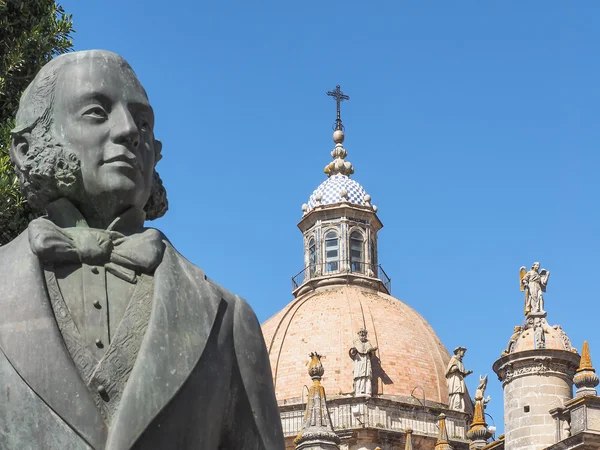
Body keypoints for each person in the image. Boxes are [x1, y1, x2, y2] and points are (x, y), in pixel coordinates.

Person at [0, 50, 284, 450]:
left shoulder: (228, 320)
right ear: (28, 149)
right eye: (97, 112)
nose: (130, 130)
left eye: (144, 121)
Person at [349, 328, 377, 396]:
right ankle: (358, 390)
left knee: (367, 375)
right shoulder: (356, 342)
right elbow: (352, 352)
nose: (363, 336)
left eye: (364, 335)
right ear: (359, 335)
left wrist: (371, 350)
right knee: (359, 375)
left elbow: (371, 352)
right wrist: (354, 350)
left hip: (366, 361)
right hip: (359, 361)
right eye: (361, 335)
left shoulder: (368, 343)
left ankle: (367, 390)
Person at [445, 346, 472, 412]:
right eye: (463, 351)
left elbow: (462, 372)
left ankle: (459, 407)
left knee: (459, 392)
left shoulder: (460, 362)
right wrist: (454, 369)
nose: (464, 353)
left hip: (459, 379)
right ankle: (456, 407)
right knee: (456, 391)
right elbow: (448, 371)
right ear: (458, 352)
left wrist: (467, 372)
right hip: (454, 379)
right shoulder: (453, 359)